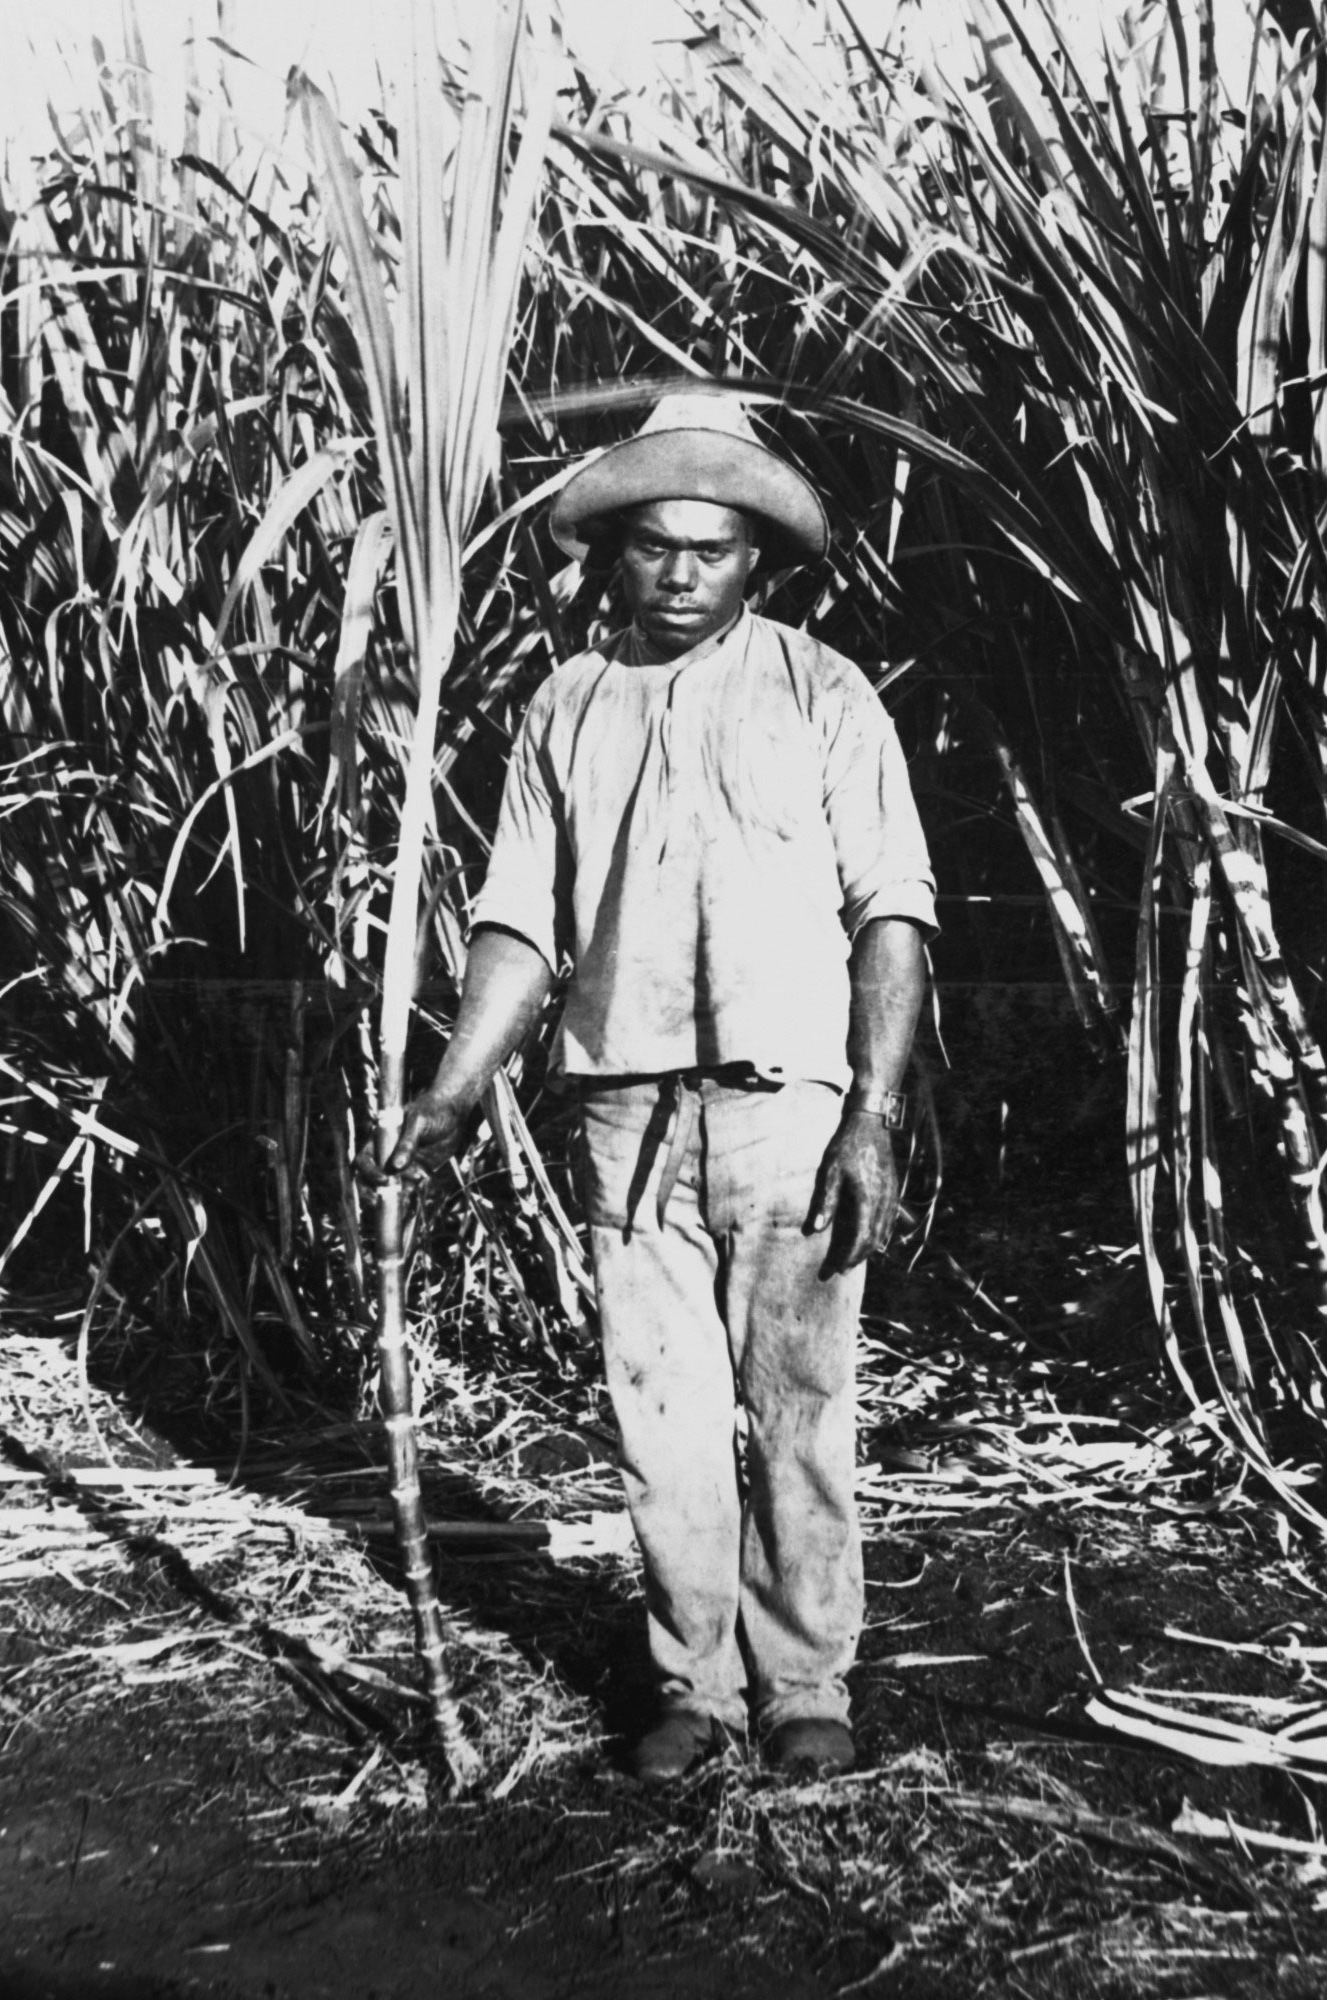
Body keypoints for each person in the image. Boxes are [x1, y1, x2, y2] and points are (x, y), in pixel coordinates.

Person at [379, 392, 936, 1782]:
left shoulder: (824, 695)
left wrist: (872, 1110)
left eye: (714, 547)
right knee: (660, 1415)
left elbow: (894, 913)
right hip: (626, 1113)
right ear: (613, 552)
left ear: (757, 557)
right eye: (654, 545)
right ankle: (696, 1683)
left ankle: (808, 1681)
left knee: (799, 1407)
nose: (681, 571)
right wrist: (448, 1096)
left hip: (790, 1111)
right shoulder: (566, 708)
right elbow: (520, 921)